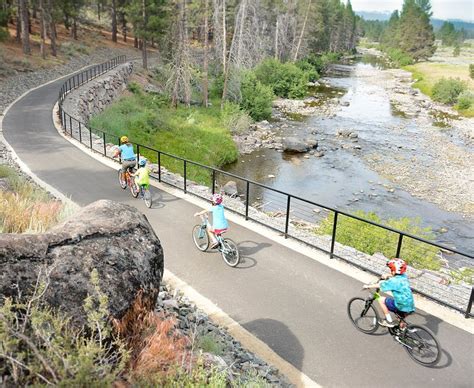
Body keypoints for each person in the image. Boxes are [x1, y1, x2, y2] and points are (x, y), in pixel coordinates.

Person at [363, 258, 415, 328]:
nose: (390, 270)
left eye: (391, 269)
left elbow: (380, 285)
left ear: (393, 269)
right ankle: (402, 332)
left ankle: (389, 321)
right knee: (400, 318)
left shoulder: (393, 281)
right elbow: (396, 275)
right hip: (410, 305)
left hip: (401, 306)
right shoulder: (404, 276)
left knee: (380, 300)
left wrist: (368, 286)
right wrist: (388, 275)